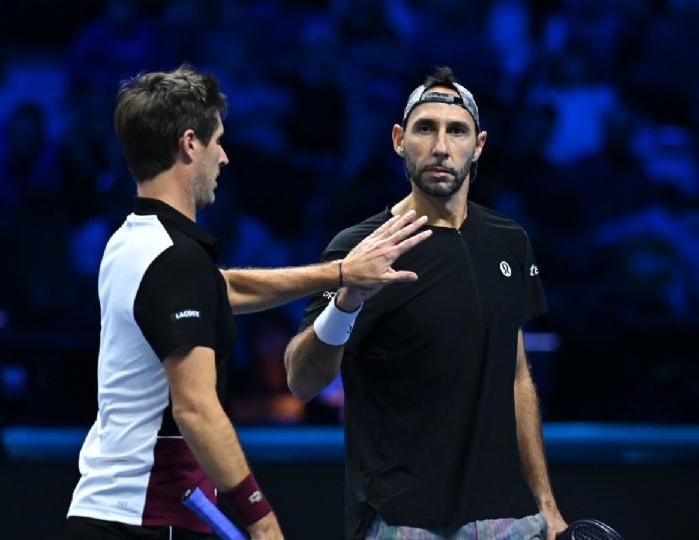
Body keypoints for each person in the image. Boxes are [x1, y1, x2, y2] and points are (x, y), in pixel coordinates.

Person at [66, 65, 432, 540]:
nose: (224, 156)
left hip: (118, 513)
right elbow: (195, 408)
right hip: (147, 519)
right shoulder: (174, 260)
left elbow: (223, 289)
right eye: (217, 140)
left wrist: (342, 272)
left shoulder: (133, 242)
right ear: (189, 143)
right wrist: (261, 520)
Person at [284, 66, 568, 540]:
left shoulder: (509, 242)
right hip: (403, 523)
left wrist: (546, 504)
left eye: (456, 131)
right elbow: (301, 380)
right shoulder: (361, 247)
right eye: (425, 129)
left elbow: (516, 375)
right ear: (399, 139)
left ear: (478, 146)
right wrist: (348, 297)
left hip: (508, 521)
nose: (440, 146)